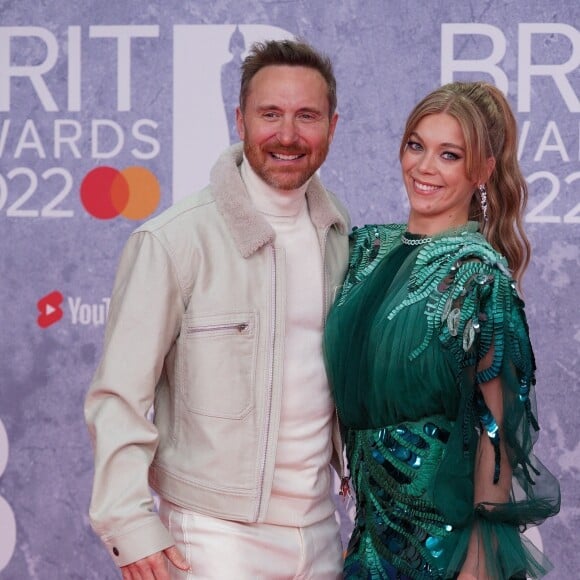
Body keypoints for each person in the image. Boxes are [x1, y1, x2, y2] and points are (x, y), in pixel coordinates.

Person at [84, 39, 350, 580]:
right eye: (270, 114)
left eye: (307, 116)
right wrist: (127, 526)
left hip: (322, 530)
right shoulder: (174, 240)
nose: (288, 135)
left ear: (332, 126)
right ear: (239, 120)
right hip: (214, 537)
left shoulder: (339, 235)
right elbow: (119, 395)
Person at [323, 81, 560, 579]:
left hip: (444, 545)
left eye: (448, 155)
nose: (424, 167)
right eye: (416, 145)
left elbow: (496, 435)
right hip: (367, 537)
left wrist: (477, 565)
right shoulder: (364, 250)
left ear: (482, 171)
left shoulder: (480, 276)